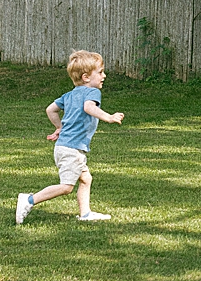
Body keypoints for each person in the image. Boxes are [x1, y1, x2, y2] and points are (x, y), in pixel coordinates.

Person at [16, 50, 123, 223]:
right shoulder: (92, 93)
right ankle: (29, 200)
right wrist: (108, 117)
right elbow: (89, 108)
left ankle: (86, 213)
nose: (104, 75)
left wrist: (59, 127)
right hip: (72, 149)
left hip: (65, 146)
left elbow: (50, 109)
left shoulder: (69, 95)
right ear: (86, 77)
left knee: (86, 178)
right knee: (66, 187)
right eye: (100, 72)